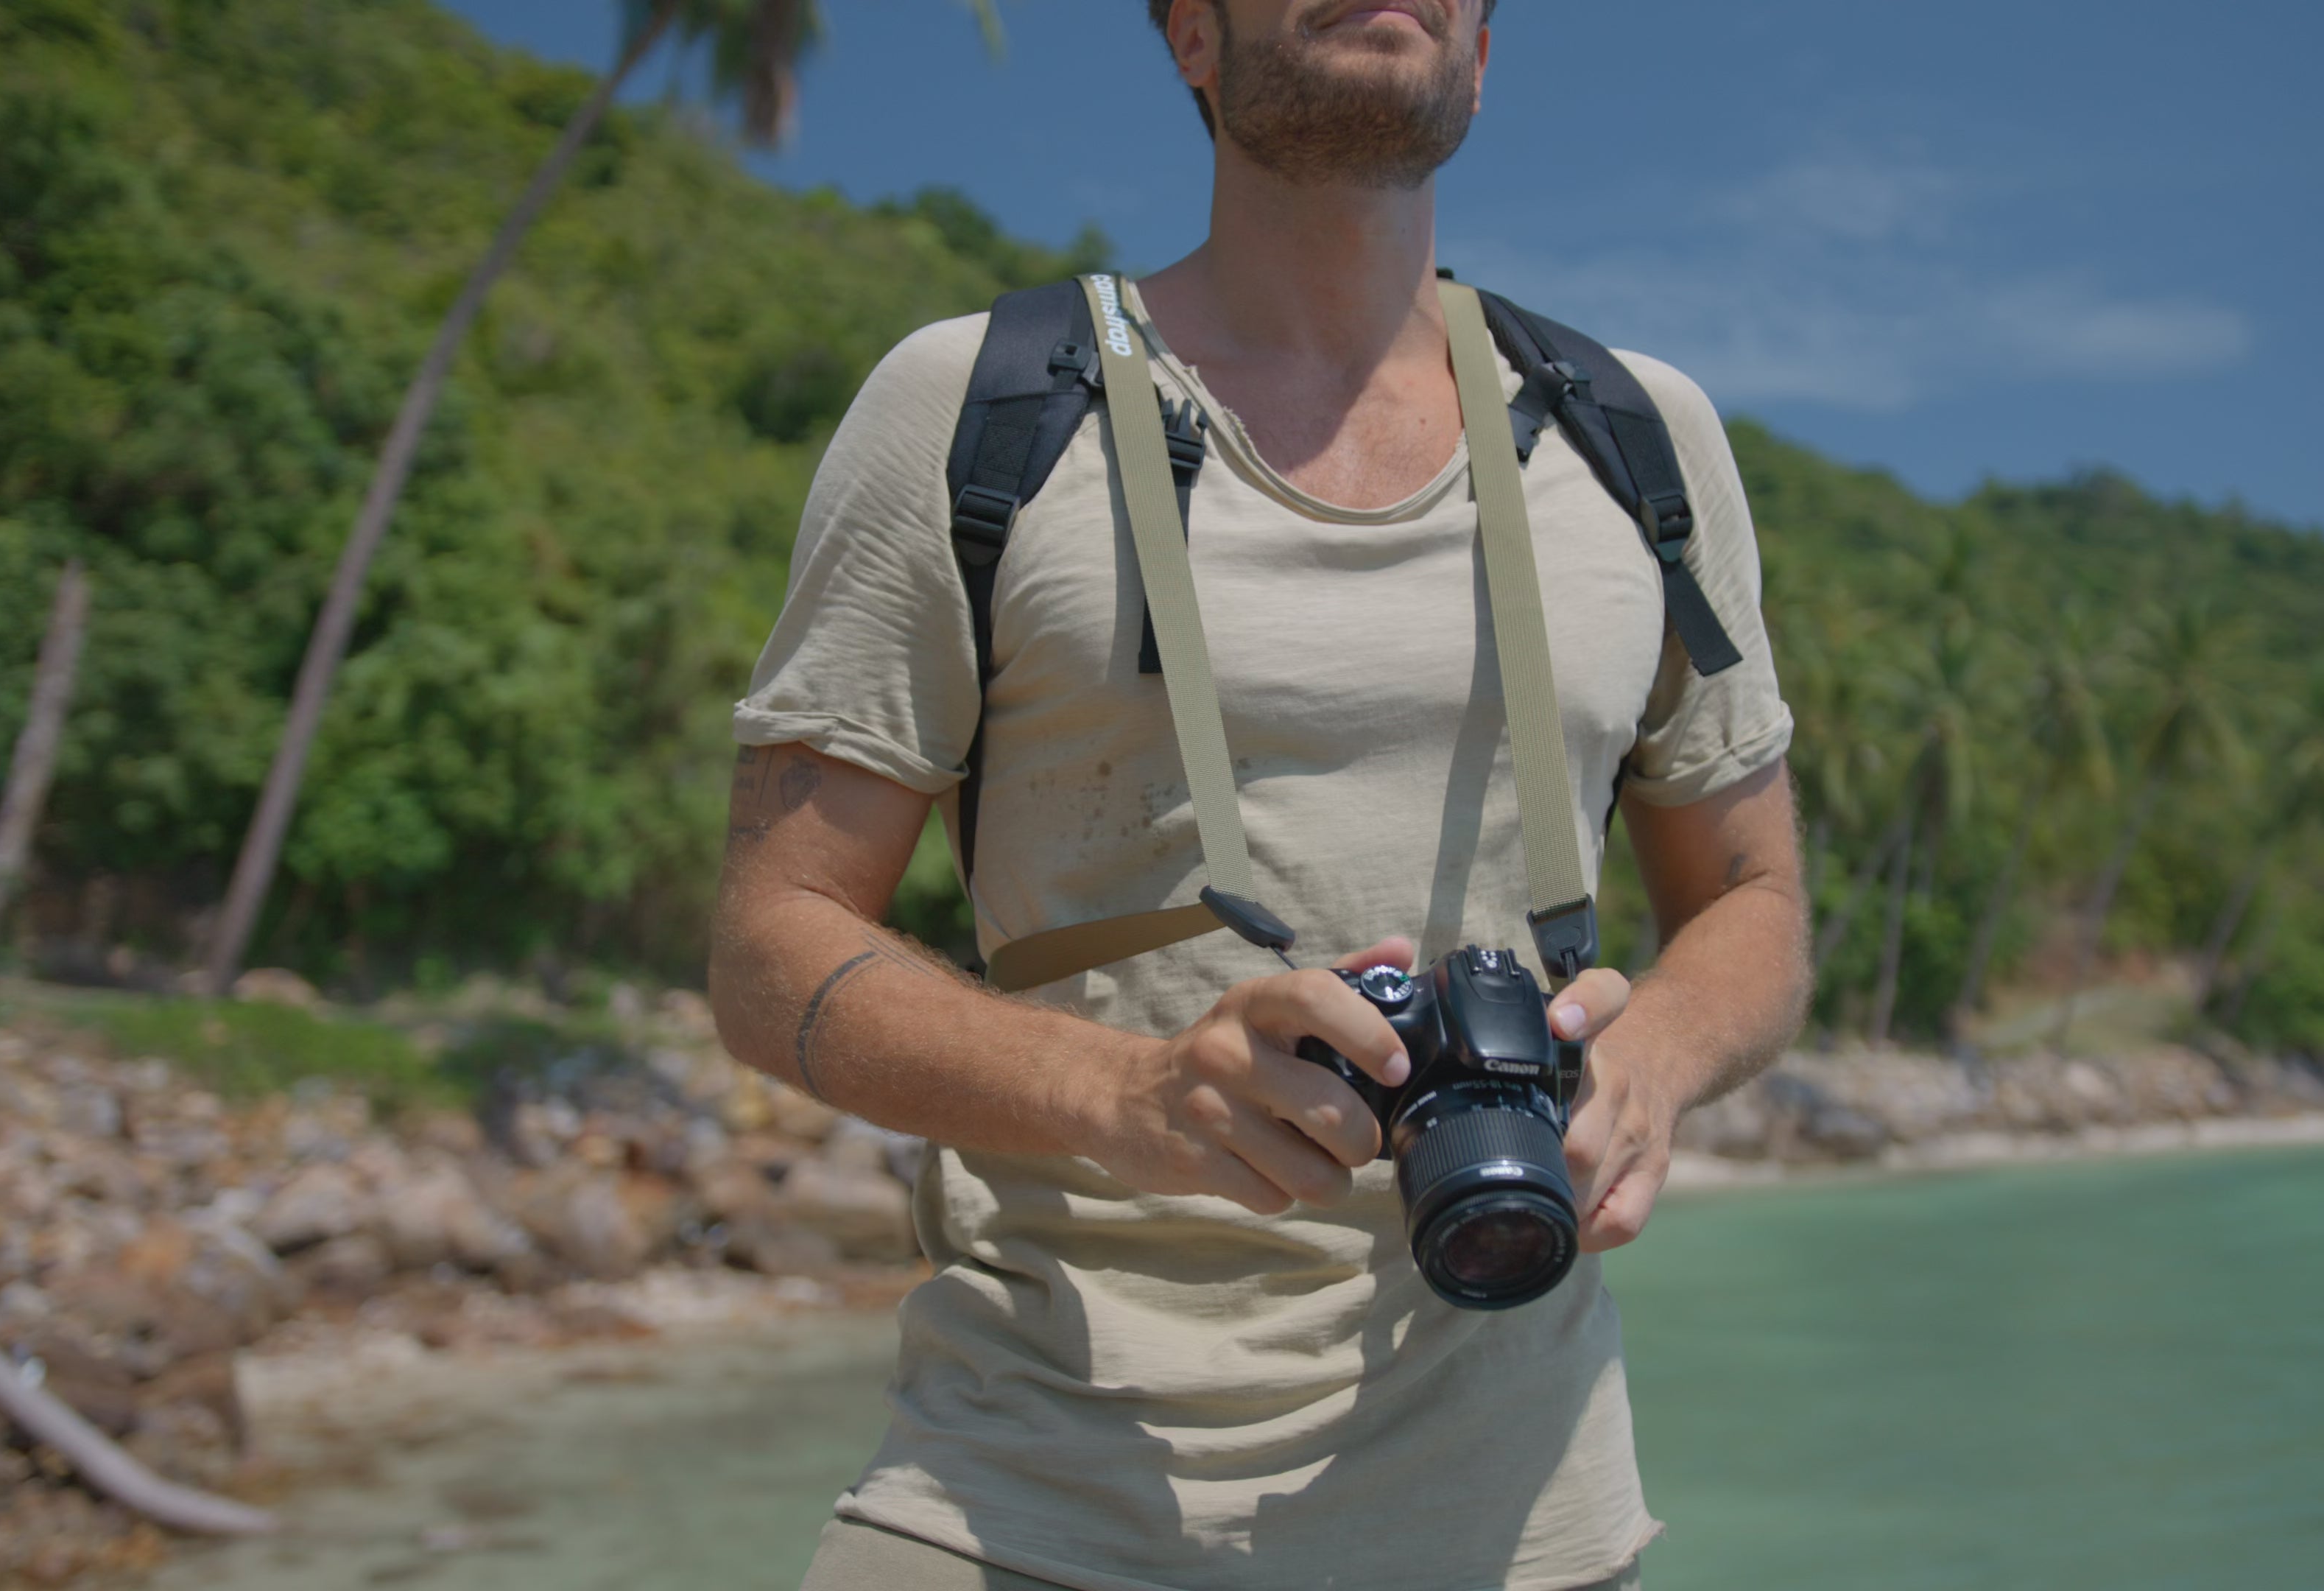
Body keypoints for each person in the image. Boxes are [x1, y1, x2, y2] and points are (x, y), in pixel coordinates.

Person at [710, 2, 1811, 1586]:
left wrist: (1654, 1062)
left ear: (1483, 52)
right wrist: (1127, 1097)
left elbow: (1756, 900)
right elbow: (771, 944)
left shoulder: (1640, 438)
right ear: (1190, 37)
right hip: (1027, 1500)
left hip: (1526, 1521)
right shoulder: (974, 403)